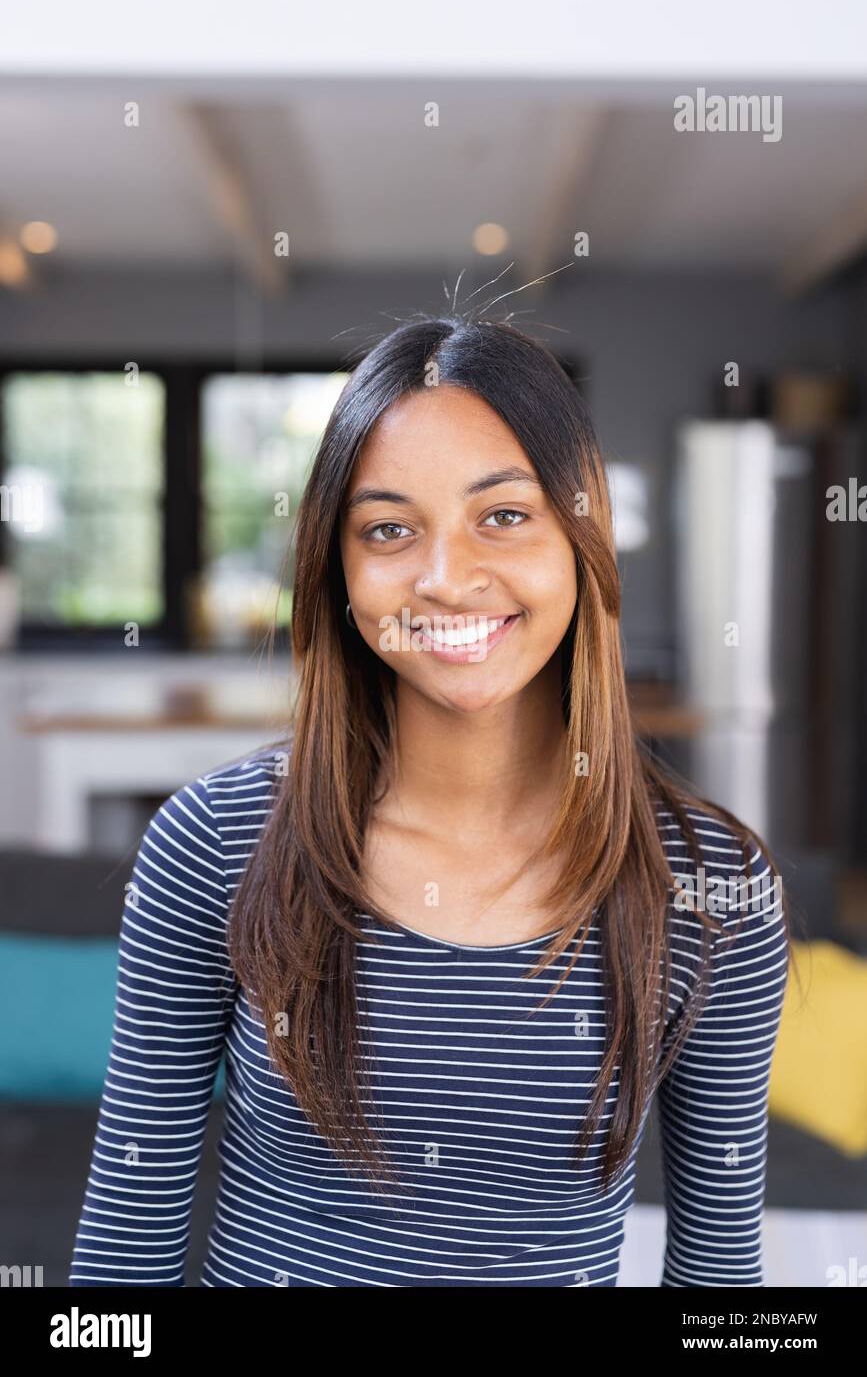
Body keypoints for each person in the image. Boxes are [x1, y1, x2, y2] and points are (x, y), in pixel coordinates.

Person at [69, 311, 793, 1287]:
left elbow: (718, 1277)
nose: (446, 579)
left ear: (583, 534)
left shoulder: (714, 885)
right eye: (389, 529)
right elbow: (125, 1246)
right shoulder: (216, 838)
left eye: (503, 514)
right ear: (339, 569)